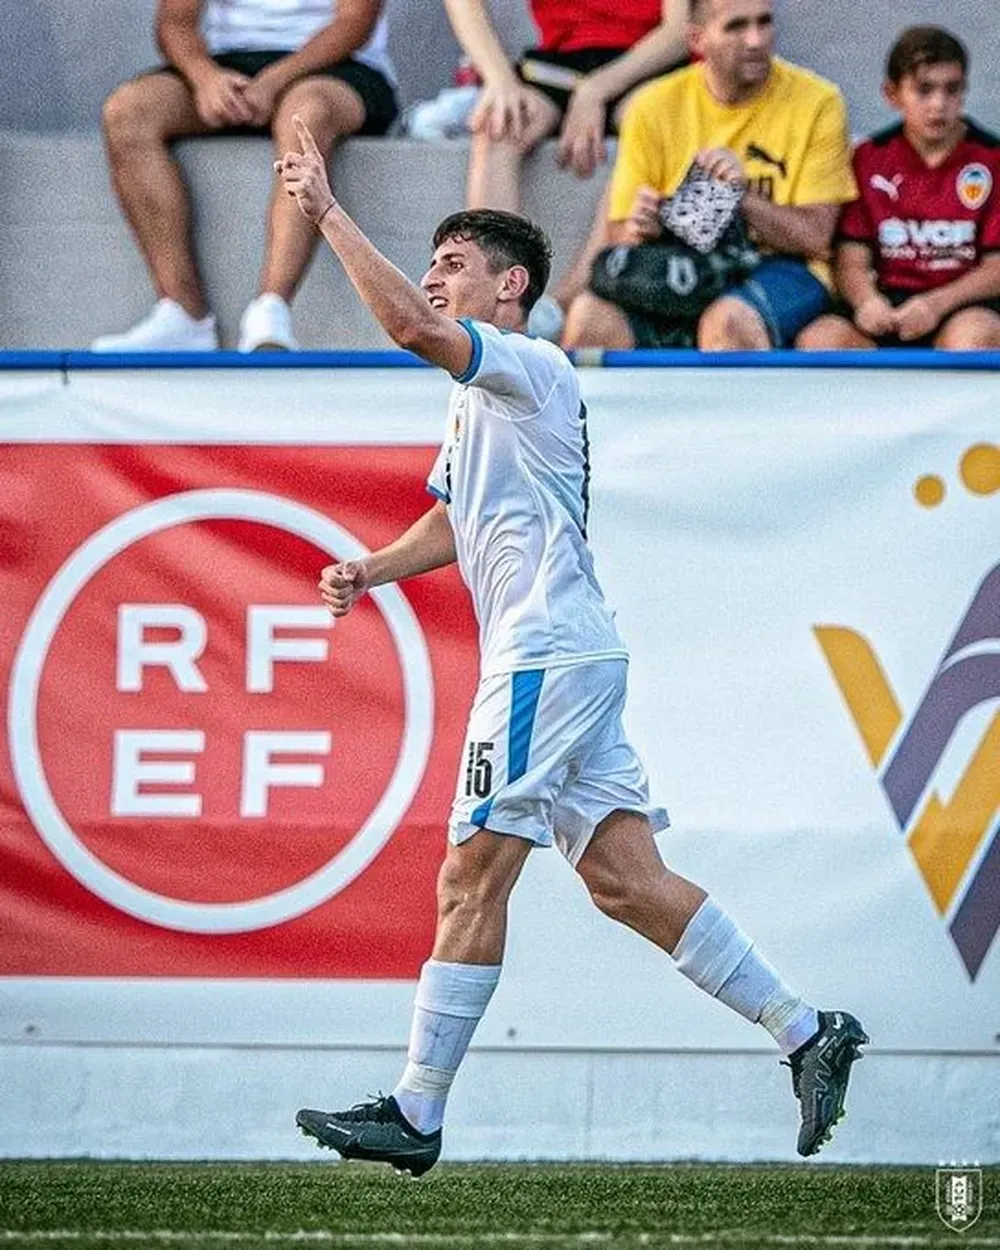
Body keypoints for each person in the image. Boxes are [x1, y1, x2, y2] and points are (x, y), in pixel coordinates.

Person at [277, 115, 867, 1176]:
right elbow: (454, 517)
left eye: (454, 262)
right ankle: (806, 1031)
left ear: (510, 287)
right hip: (571, 653)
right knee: (626, 881)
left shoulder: (530, 363)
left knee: (469, 875)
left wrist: (325, 209)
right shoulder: (484, 397)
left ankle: (416, 1109)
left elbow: (407, 326)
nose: (434, 277)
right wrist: (372, 567)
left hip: (543, 657)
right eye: (432, 262)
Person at [92, 0, 397, 353]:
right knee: (127, 112)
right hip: (230, 63)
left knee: (305, 115)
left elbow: (356, 22)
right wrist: (205, 78)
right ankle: (183, 314)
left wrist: (274, 81)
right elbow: (174, 22)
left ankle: (271, 309)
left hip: (340, 67)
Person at [561, 0, 857, 351]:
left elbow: (816, 239)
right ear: (697, 40)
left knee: (727, 321)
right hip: (679, 266)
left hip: (782, 266)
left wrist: (740, 196)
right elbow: (619, 235)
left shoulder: (818, 101)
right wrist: (645, 228)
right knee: (589, 319)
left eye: (764, 22)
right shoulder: (652, 106)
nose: (755, 40)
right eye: (736, 27)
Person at [445, 0, 690, 338]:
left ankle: (565, 303)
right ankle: (496, 305)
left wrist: (595, 90)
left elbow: (678, 32)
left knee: (652, 123)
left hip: (645, 64)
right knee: (499, 125)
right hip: (559, 64)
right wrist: (499, 79)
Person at [798, 27, 1000, 351]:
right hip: (889, 305)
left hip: (961, 305)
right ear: (892, 94)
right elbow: (851, 258)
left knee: (974, 335)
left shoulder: (992, 158)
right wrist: (866, 302)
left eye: (952, 89)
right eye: (924, 90)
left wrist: (935, 305)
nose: (939, 104)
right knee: (820, 339)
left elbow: (996, 268)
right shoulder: (868, 157)